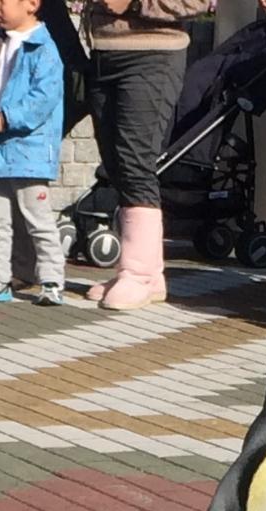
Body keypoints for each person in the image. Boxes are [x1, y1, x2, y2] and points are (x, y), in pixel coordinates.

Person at [83, 0, 209, 310]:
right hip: (102, 53)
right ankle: (145, 274)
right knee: (115, 163)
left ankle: (138, 274)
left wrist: (136, 3)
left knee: (135, 161)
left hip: (153, 55)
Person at [0, 0, 65, 304]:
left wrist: (5, 119)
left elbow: (43, 99)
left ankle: (52, 280)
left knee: (38, 220)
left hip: (29, 153)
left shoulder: (44, 49)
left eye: (3, 0)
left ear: (32, 4)